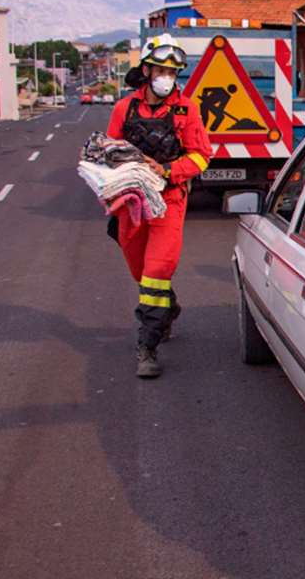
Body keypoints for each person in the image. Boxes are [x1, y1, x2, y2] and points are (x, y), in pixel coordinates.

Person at [107, 33, 212, 378]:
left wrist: (168, 170)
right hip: (130, 202)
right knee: (140, 272)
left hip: (169, 200)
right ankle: (167, 308)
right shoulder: (124, 108)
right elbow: (108, 153)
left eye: (173, 72)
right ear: (147, 70)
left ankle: (147, 346)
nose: (167, 77)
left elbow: (201, 155)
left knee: (156, 272)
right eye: (161, 70)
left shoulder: (187, 109)